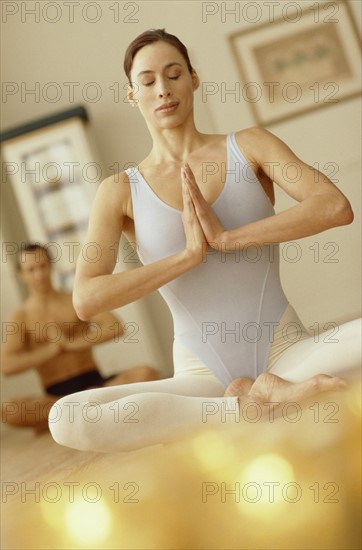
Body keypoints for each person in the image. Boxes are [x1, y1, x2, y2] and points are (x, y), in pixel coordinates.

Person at [49, 29, 360, 452]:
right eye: (148, 81)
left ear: (194, 79)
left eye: (174, 74)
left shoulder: (249, 146)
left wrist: (231, 238)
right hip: (201, 378)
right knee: (66, 418)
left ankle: (268, 392)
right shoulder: (120, 190)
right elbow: (86, 299)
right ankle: (247, 408)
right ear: (132, 95)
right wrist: (188, 257)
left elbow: (333, 206)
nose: (163, 90)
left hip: (286, 353)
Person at [1, 243, 159, 432]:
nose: (39, 274)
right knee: (8, 411)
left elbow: (114, 327)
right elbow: (7, 366)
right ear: (22, 275)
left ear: (51, 265)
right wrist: (51, 350)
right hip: (55, 395)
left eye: (43, 266)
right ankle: (88, 408)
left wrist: (71, 344)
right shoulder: (22, 317)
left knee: (146, 373)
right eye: (31, 269)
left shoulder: (74, 300)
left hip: (95, 383)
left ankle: (68, 414)